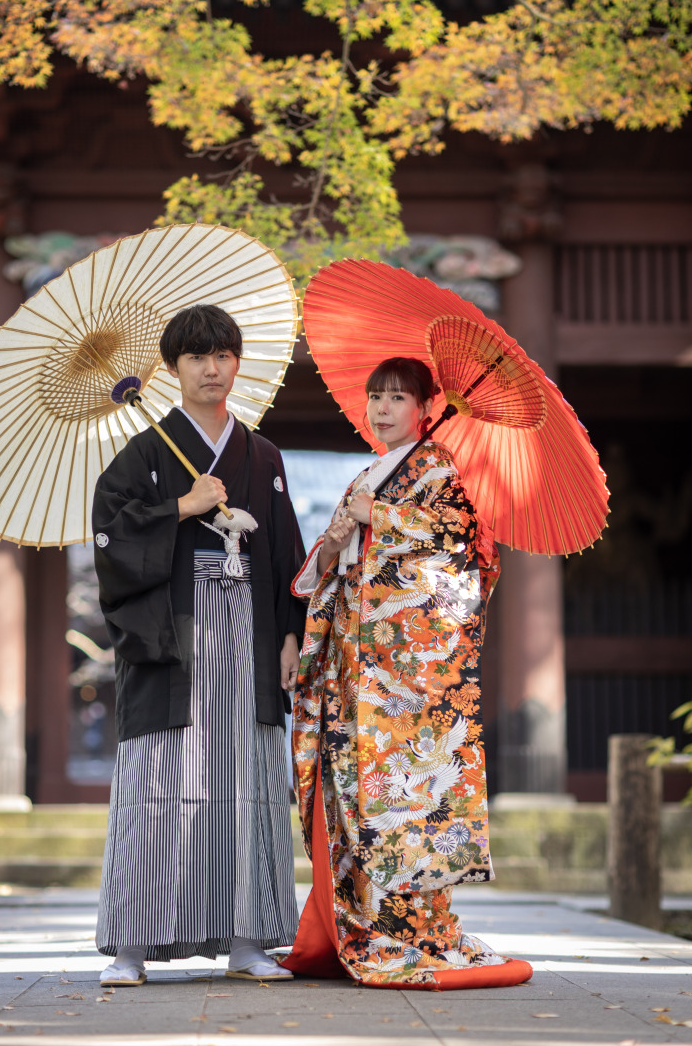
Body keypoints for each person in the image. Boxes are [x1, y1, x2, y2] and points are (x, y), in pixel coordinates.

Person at [282, 357, 532, 989]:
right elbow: (326, 572)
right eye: (376, 397)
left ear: (425, 409)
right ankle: (358, 922)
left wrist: (384, 518)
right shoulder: (368, 475)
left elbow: (465, 542)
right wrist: (335, 542)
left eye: (397, 397)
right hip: (352, 667)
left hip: (408, 681)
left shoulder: (442, 470)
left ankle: (412, 929)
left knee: (406, 792)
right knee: (351, 789)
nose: (383, 408)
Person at [92, 303, 305, 984]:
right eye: (196, 357)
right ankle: (132, 945)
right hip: (174, 641)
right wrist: (182, 506)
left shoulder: (263, 456)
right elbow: (111, 539)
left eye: (222, 355)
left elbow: (288, 553)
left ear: (236, 363)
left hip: (249, 636)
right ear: (172, 368)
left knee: (244, 783)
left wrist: (291, 635)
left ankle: (247, 940)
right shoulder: (145, 453)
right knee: (160, 783)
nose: (212, 369)